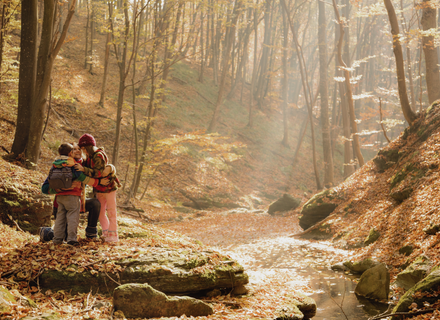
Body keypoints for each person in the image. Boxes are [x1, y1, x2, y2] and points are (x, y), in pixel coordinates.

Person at [42, 143, 103, 245]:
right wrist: (60, 189)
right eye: (74, 149)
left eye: (79, 149)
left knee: (61, 221)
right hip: (71, 198)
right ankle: (70, 239)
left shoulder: (56, 164)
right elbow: (44, 188)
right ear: (70, 153)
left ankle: (57, 239)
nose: (77, 151)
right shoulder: (73, 165)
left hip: (62, 200)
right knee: (72, 218)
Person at [75, 134, 121, 242]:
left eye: (83, 149)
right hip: (99, 188)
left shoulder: (98, 155)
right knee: (101, 212)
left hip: (109, 187)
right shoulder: (89, 158)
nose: (83, 151)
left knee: (111, 211)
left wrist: (84, 170)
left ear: (88, 147)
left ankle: (113, 236)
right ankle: (106, 232)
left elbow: (99, 173)